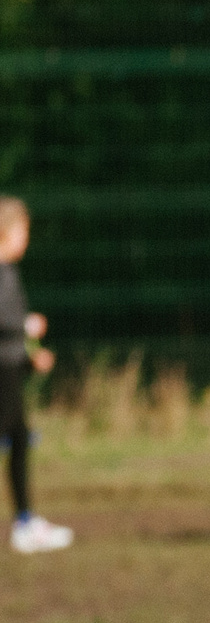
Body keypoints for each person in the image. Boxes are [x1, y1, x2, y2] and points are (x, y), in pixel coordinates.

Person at [0, 196, 71, 555]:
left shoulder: (9, 272)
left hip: (11, 367)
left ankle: (26, 521)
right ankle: (25, 524)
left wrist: (30, 357)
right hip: (3, 371)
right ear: (4, 232)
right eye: (22, 232)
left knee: (19, 439)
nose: (26, 239)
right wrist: (25, 325)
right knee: (16, 439)